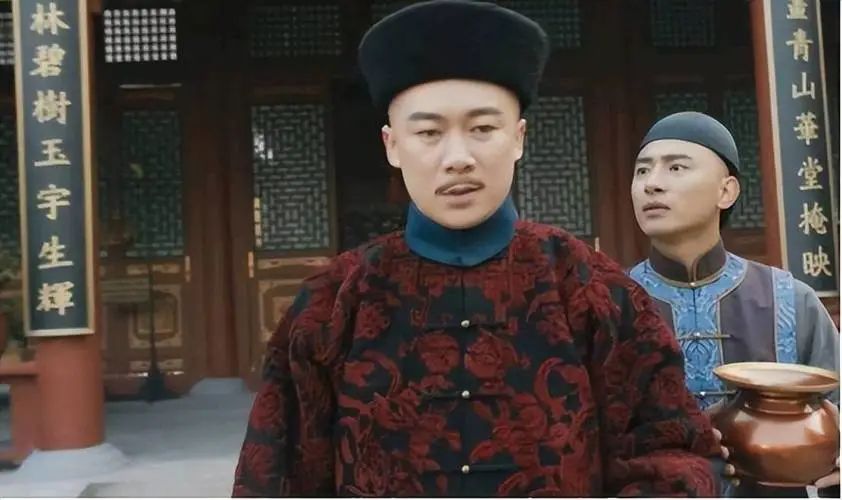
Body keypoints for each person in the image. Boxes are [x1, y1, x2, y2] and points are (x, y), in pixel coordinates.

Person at [232, 2, 723, 496]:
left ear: (519, 137)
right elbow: (275, 477)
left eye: (483, 129)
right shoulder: (332, 305)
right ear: (392, 145)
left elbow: (671, 453)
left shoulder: (590, 290)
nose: (458, 158)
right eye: (428, 133)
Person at [628, 111, 840, 497]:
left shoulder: (790, 300)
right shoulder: (609, 303)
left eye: (676, 167)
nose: (651, 184)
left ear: (726, 191)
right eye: (642, 170)